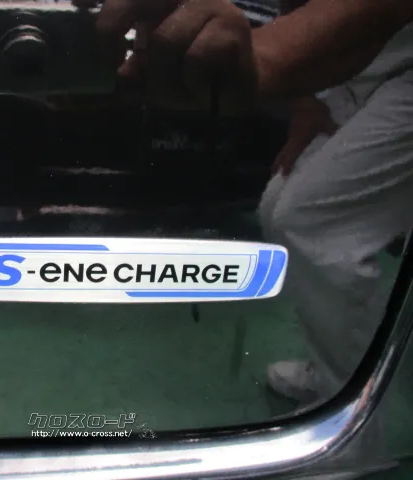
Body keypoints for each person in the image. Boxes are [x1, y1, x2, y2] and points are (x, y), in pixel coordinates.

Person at [75, 0, 413, 466]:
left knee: (315, 224)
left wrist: (265, 54)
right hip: (361, 62)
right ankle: (333, 368)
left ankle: (355, 431)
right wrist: (306, 99)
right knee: (278, 206)